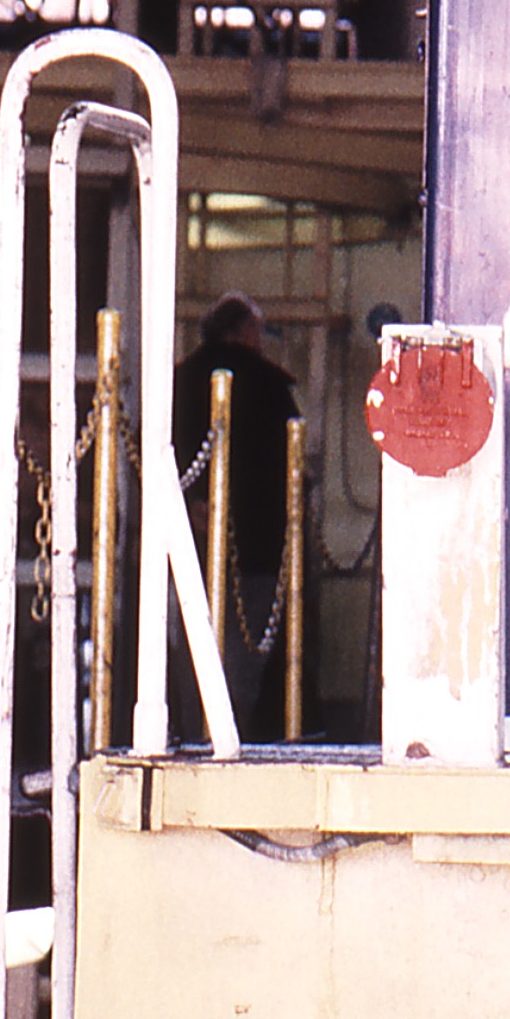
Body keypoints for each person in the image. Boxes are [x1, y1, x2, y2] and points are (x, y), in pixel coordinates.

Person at [172, 293, 301, 734]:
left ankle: (194, 732)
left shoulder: (179, 382)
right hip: (257, 544)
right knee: (246, 655)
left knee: (194, 641)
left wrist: (192, 504)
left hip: (191, 539)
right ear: (245, 333)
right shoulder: (270, 386)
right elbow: (289, 464)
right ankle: (234, 733)